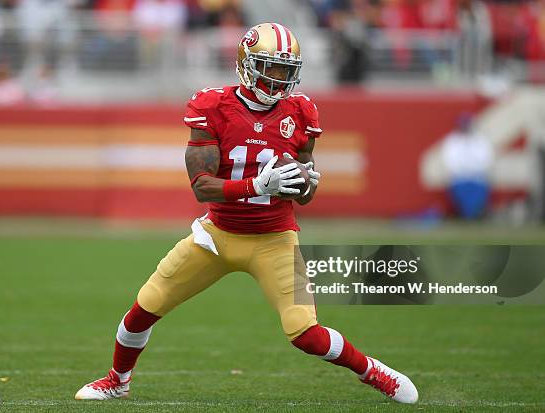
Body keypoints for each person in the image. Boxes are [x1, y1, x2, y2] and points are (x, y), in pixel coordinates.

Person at [74, 22, 418, 404]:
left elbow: (305, 193)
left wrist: (305, 184)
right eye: (269, 67)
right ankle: (117, 380)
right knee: (144, 308)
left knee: (305, 333)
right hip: (217, 237)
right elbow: (202, 185)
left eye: (285, 70)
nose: (278, 78)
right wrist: (256, 186)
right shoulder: (213, 106)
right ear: (246, 64)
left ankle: (372, 371)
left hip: (275, 238)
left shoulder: (301, 111)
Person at [441, 113, 493, 219]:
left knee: (479, 193)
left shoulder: (480, 140)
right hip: (459, 178)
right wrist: (464, 170)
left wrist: (472, 169)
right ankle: (466, 215)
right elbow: (451, 161)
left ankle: (476, 214)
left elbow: (486, 160)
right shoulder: (452, 141)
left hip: (478, 178)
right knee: (460, 192)